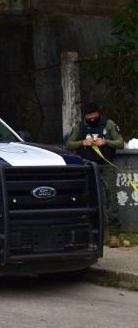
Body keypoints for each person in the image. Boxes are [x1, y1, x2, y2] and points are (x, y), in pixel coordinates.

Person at [66, 102, 124, 248]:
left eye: (93, 114)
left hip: (106, 166)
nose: (91, 118)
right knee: (92, 199)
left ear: (98, 113)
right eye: (88, 115)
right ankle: (97, 234)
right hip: (88, 167)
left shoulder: (108, 124)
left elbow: (120, 143)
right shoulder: (80, 126)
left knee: (110, 197)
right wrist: (83, 142)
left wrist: (105, 141)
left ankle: (115, 234)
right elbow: (69, 144)